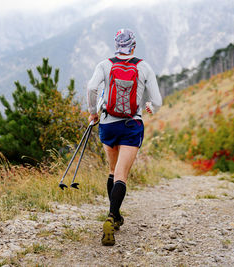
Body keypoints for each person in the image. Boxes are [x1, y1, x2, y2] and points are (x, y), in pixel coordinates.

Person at [87, 28, 162, 246]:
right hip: (131, 125)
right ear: (134, 45)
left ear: (116, 45)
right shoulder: (143, 66)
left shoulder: (105, 64)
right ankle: (112, 216)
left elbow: (92, 87)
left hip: (108, 124)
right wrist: (149, 105)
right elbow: (156, 100)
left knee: (112, 171)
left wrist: (93, 112)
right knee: (122, 174)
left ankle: (116, 216)